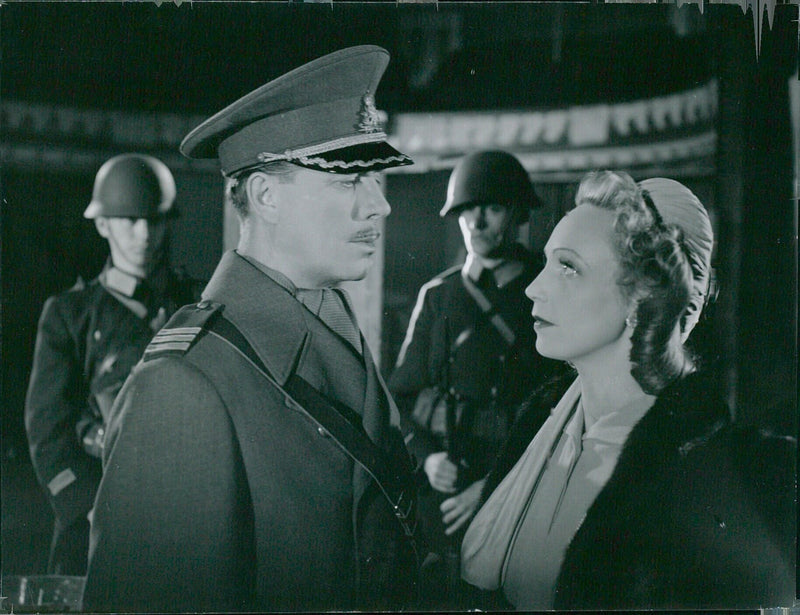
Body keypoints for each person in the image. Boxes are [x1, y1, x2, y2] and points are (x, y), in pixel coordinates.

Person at [82, 46, 419, 613]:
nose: (378, 206)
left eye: (375, 180)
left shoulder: (333, 332)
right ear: (265, 196)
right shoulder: (183, 385)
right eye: (349, 180)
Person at [460, 171, 795, 610]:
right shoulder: (541, 421)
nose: (533, 287)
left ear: (644, 296)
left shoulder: (703, 472)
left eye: (568, 266)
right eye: (545, 262)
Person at [388, 150, 566, 607]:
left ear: (517, 214)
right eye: (468, 210)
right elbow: (403, 399)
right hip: (443, 504)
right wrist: (426, 458)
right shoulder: (438, 297)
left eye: (492, 208)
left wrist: (492, 485)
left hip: (523, 495)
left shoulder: (547, 292)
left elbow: (565, 411)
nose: (478, 222)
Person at [23, 153, 201, 576]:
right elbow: (47, 430)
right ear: (103, 225)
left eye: (154, 222)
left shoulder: (194, 303)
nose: (144, 235)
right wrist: (83, 506)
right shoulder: (70, 314)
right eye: (129, 221)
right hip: (94, 514)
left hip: (185, 512)